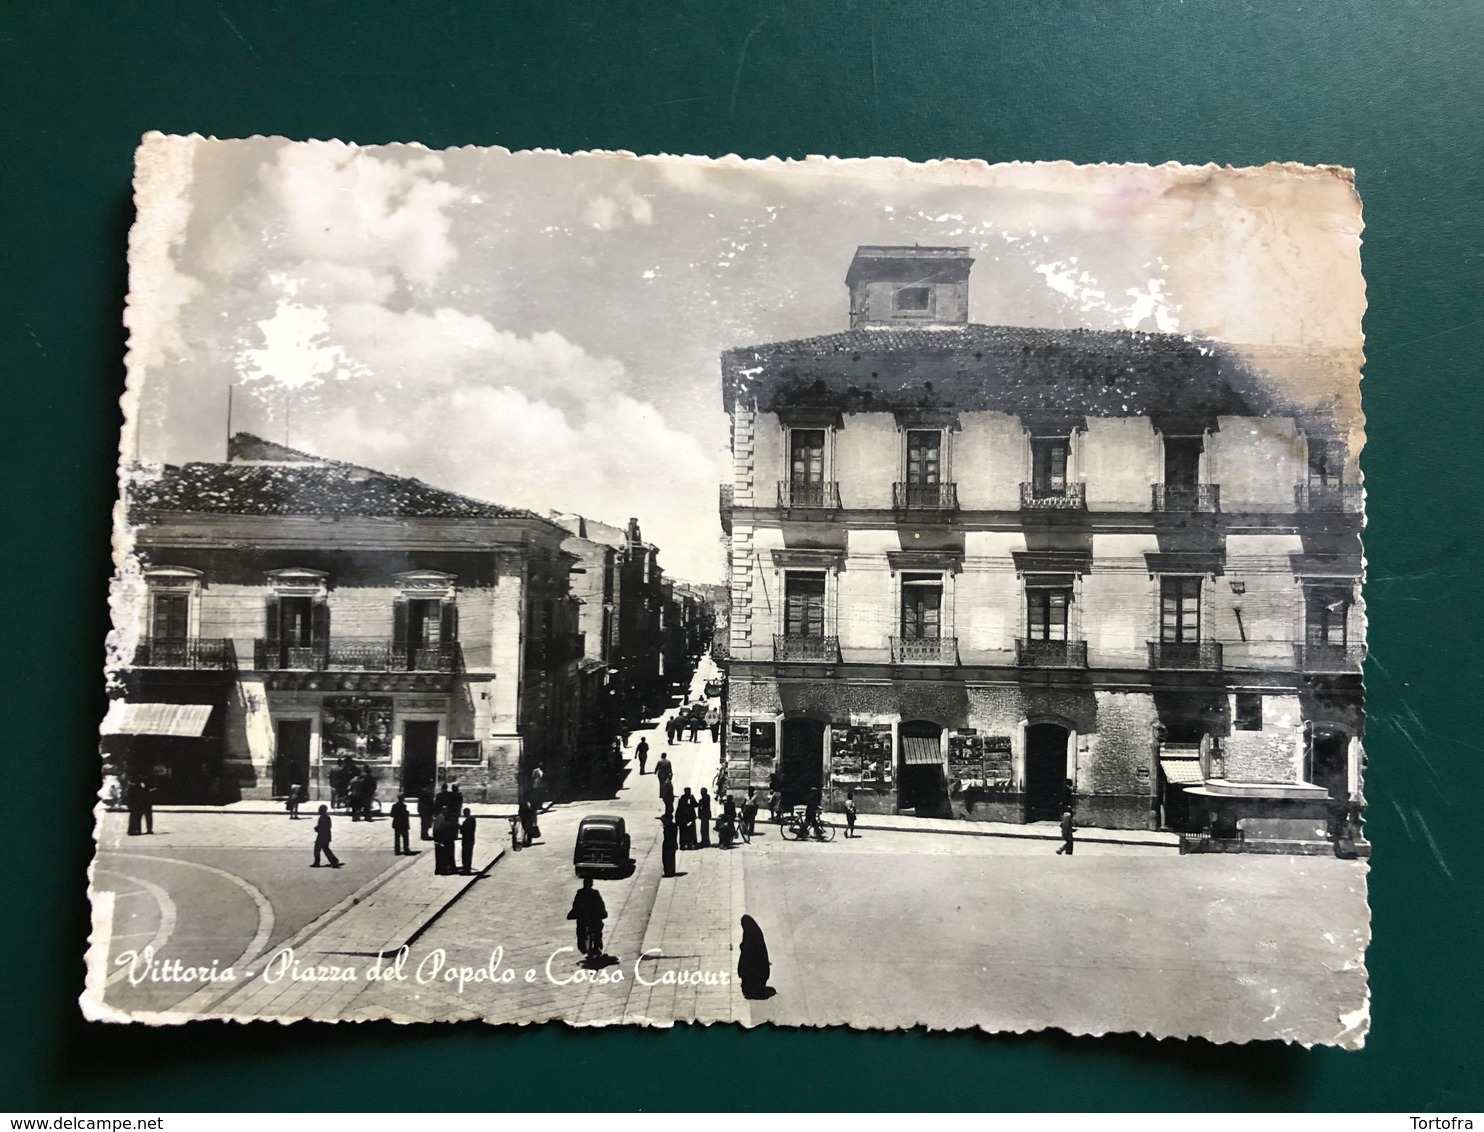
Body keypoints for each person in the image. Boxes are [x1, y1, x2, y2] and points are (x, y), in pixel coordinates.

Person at [567, 877, 607, 960]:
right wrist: (603, 912)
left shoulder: (580, 892)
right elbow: (600, 903)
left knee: (582, 930)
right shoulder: (595, 893)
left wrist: (574, 912)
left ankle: (585, 947)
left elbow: (576, 904)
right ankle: (597, 946)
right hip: (592, 916)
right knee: (597, 930)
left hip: (584, 916)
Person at [737, 914, 771, 999]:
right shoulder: (755, 933)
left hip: (755, 967)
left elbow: (747, 949)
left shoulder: (751, 935)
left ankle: (754, 990)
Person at [432, 809, 457, 875]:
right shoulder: (448, 822)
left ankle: (438, 869)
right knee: (449, 856)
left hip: (438, 841)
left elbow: (435, 830)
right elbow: (452, 829)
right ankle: (450, 869)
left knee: (439, 857)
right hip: (447, 841)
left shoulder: (437, 819)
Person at [459, 807, 477, 873]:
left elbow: (463, 830)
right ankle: (467, 867)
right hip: (471, 838)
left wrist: (460, 827)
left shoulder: (467, 820)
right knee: (468, 854)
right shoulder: (472, 819)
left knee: (466, 854)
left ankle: (466, 868)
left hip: (467, 839)